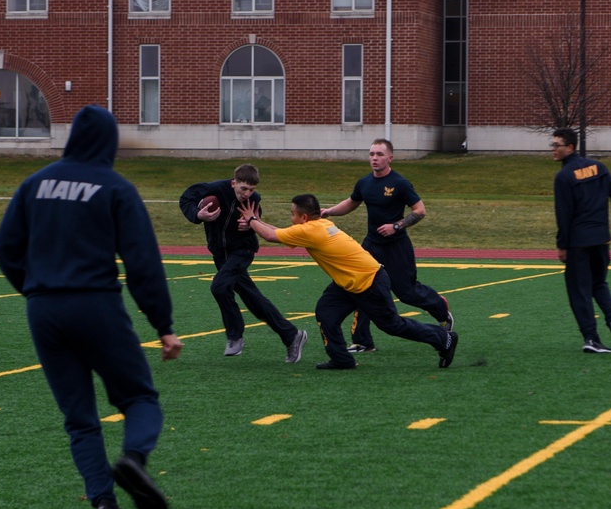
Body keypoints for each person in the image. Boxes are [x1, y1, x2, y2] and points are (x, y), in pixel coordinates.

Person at [0, 105, 183, 509]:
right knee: (138, 398)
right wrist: (163, 325)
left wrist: (36, 291)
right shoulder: (115, 186)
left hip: (43, 310)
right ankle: (133, 460)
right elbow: (142, 263)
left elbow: (5, 248)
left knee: (80, 420)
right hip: (96, 304)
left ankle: (105, 506)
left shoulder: (35, 183)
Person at [239, 193, 458, 370]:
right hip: (349, 282)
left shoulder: (309, 231)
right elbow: (280, 232)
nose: (291, 218)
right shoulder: (320, 224)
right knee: (326, 312)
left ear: (304, 218)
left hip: (368, 281)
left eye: (293, 214)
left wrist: (251, 220)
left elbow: (270, 236)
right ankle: (341, 359)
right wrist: (256, 220)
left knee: (392, 325)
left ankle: (443, 339)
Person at [320, 139, 452, 354]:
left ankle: (440, 308)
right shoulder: (364, 183)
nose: (374, 158)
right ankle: (363, 340)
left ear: (390, 157)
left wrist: (396, 226)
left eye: (380, 154)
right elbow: (352, 202)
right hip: (371, 245)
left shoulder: (399, 183)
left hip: (396, 246)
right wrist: (329, 211)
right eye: (371, 154)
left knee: (406, 292)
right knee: (363, 288)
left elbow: (420, 210)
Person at [179, 164, 308, 363]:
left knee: (219, 287)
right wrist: (197, 214)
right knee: (253, 299)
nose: (247, 194)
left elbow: (256, 220)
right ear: (233, 183)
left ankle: (234, 336)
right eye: (243, 189)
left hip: (242, 250)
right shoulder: (214, 189)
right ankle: (291, 335)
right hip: (220, 254)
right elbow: (186, 198)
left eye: (251, 189)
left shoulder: (254, 200)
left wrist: (250, 224)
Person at [551, 127, 611, 354]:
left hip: (578, 243)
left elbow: (563, 215)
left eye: (557, 145)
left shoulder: (563, 176)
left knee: (579, 291)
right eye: (552, 144)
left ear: (570, 147)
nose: (553, 149)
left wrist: (562, 245)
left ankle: (591, 339)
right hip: (601, 240)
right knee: (598, 283)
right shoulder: (599, 167)